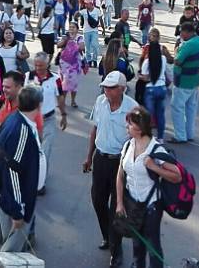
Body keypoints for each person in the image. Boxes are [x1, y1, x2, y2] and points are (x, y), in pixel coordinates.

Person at [115, 107, 181, 268]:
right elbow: (120, 175)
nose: (126, 127)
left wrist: (155, 167)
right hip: (133, 205)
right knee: (137, 247)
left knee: (153, 247)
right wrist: (119, 202)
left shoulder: (156, 150)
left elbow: (177, 175)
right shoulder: (128, 145)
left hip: (151, 207)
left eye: (129, 125)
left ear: (139, 129)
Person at [82, 71, 137, 261]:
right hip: (101, 159)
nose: (106, 90)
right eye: (105, 86)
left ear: (122, 89)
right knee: (98, 200)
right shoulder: (100, 102)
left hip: (120, 164)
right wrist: (89, 156)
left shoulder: (132, 108)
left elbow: (138, 140)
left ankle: (116, 249)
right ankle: (108, 235)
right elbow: (95, 128)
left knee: (116, 206)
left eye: (111, 87)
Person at [0, 84, 42, 253]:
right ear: (38, 105)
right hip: (15, 204)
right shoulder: (22, 131)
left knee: (12, 251)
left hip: (9, 199)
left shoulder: (14, 118)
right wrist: (17, 212)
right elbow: (12, 171)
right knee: (9, 254)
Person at [25, 52, 68, 194]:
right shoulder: (28, 77)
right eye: (36, 65)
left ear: (48, 65)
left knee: (44, 152)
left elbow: (60, 97)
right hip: (30, 120)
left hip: (48, 120)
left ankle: (40, 183)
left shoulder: (55, 79)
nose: (38, 68)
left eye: (41, 66)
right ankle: (30, 175)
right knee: (30, 151)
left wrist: (64, 115)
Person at [170, 22, 199, 143]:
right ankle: (189, 133)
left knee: (177, 108)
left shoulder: (188, 45)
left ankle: (180, 136)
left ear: (187, 32)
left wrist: (175, 51)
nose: (180, 35)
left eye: (182, 32)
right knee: (191, 108)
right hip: (195, 79)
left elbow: (178, 61)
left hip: (183, 81)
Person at [140, 37, 168, 140]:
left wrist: (141, 77)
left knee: (148, 116)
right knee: (160, 114)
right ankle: (160, 138)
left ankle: (148, 137)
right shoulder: (163, 59)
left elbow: (144, 77)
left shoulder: (147, 62)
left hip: (150, 89)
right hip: (161, 88)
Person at [56, 22, 85, 108]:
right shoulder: (65, 37)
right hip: (64, 64)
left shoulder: (80, 38)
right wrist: (66, 40)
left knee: (74, 83)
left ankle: (73, 101)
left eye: (73, 27)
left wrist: (74, 44)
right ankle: (63, 101)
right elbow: (58, 45)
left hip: (75, 65)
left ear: (77, 29)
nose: (71, 29)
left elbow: (82, 47)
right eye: (70, 27)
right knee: (64, 82)